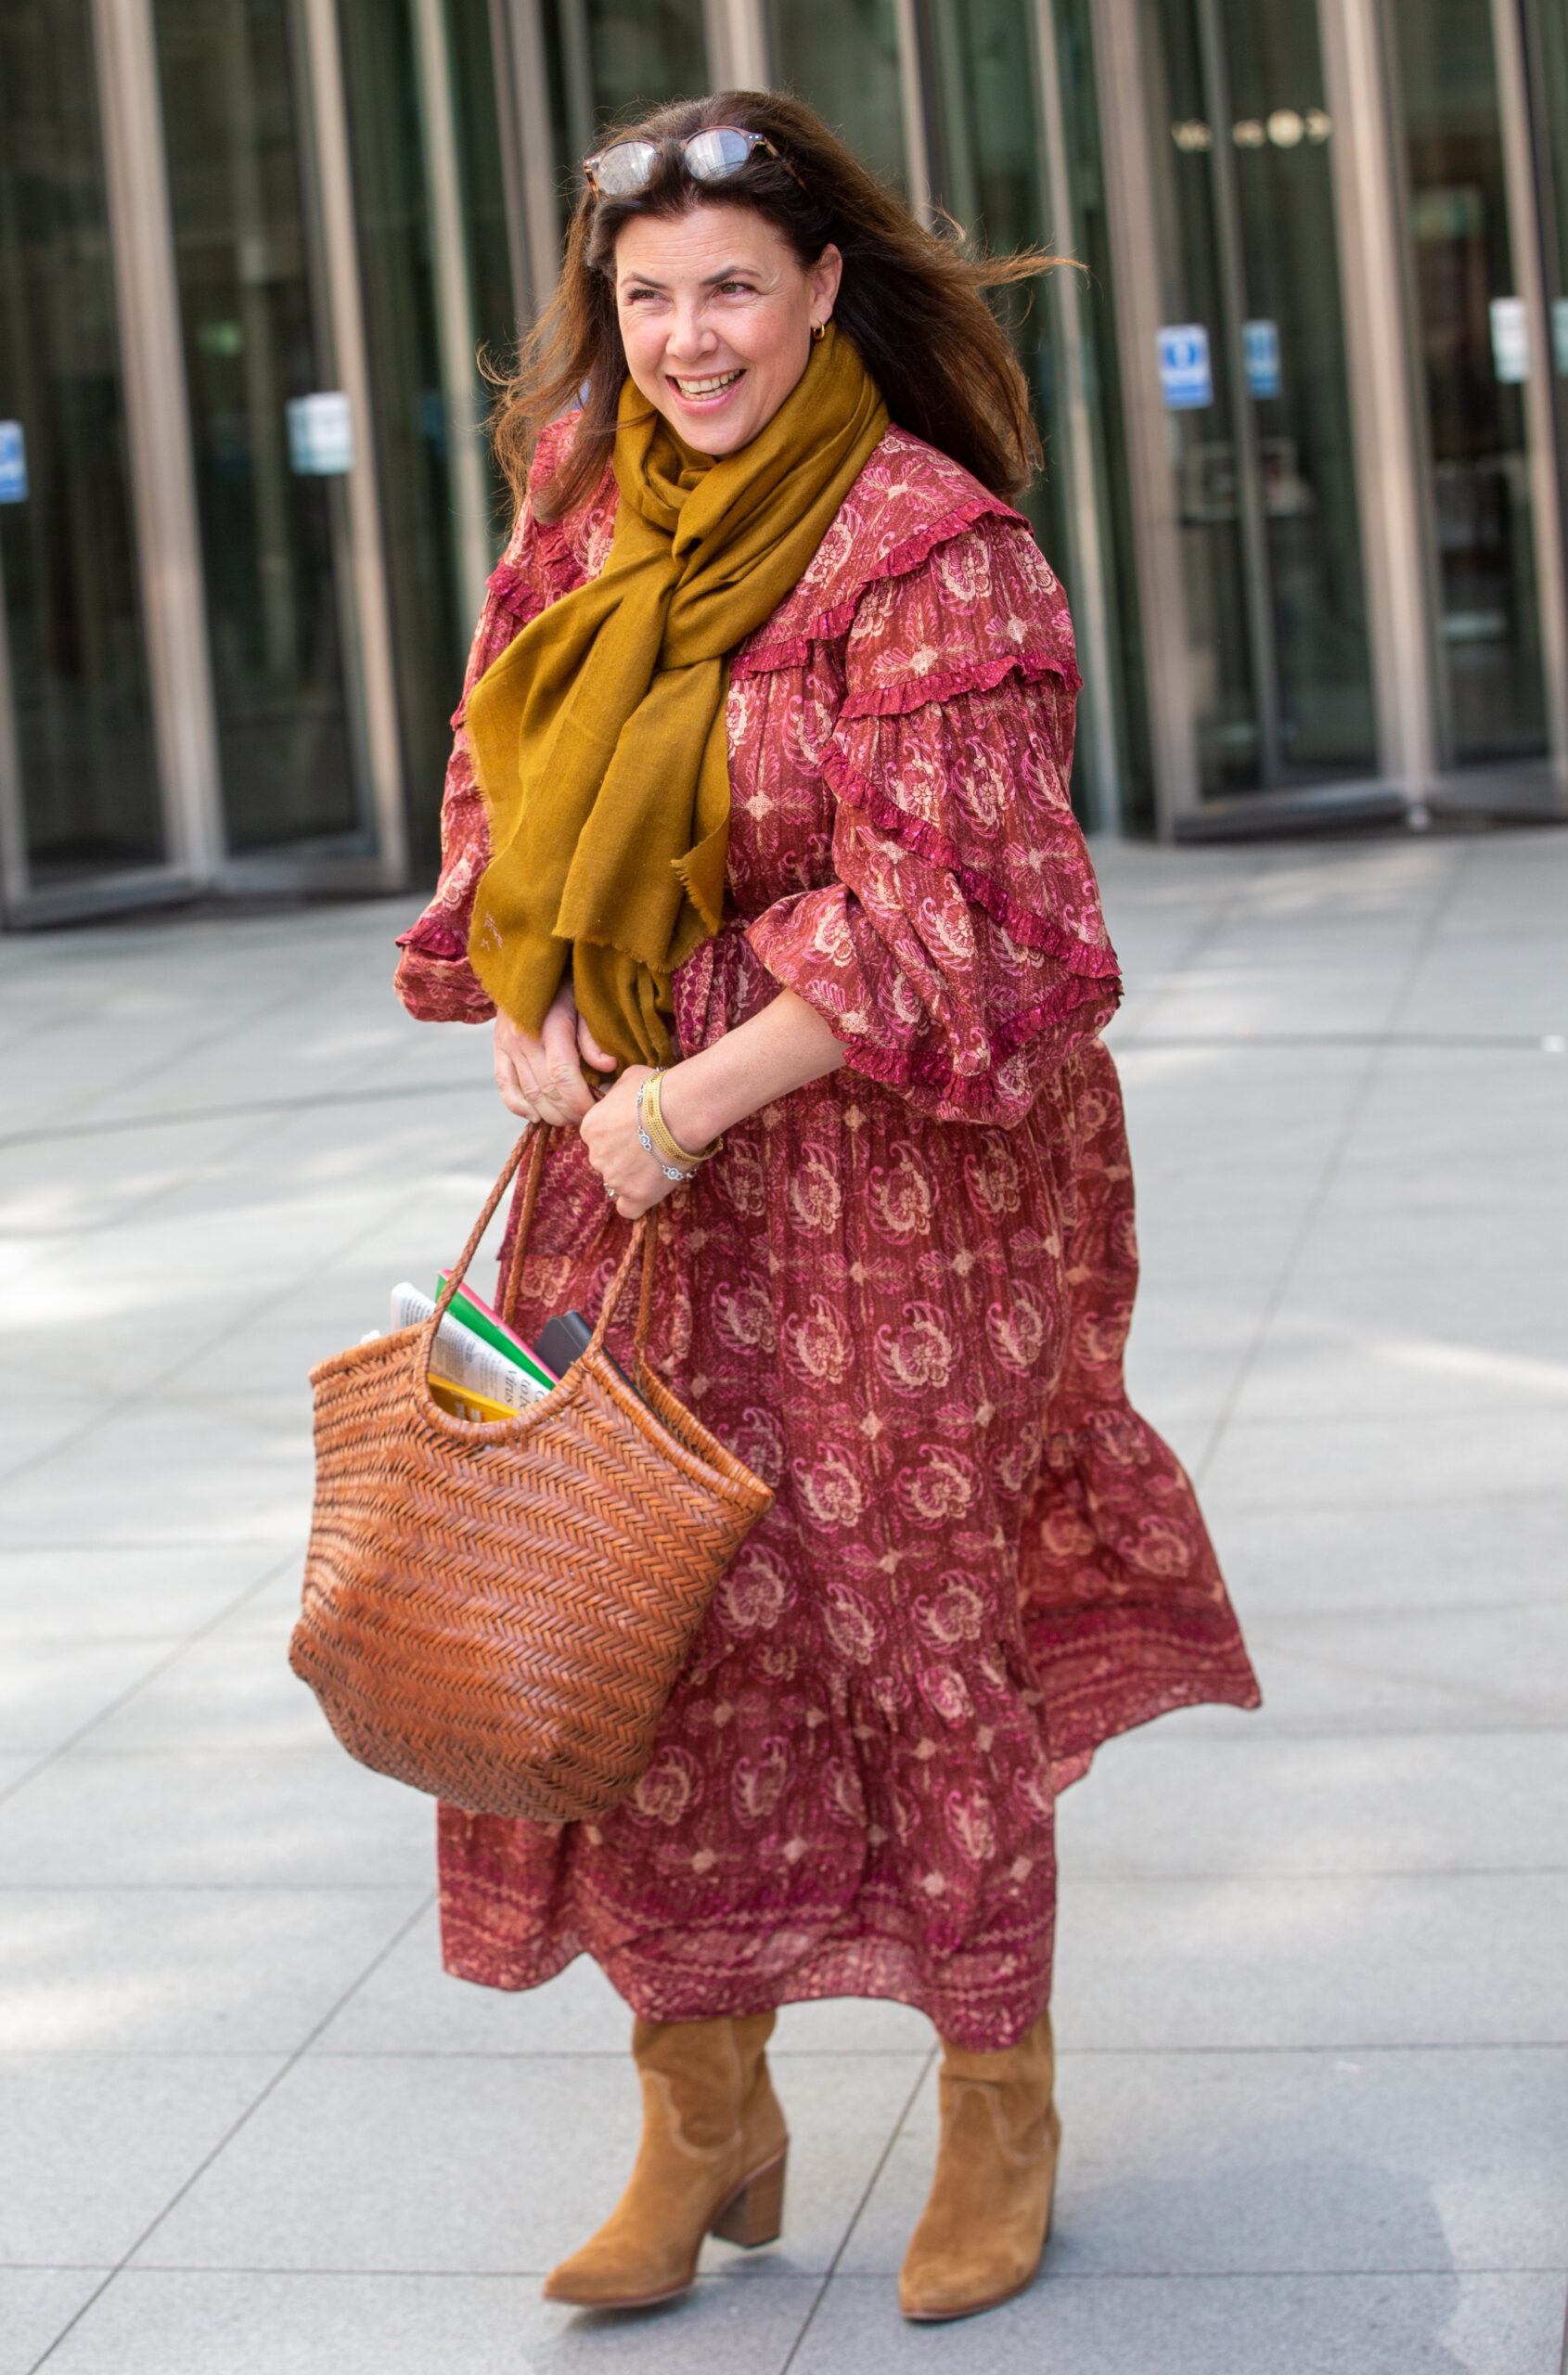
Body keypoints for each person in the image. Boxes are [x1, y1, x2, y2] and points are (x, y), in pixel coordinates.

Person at [394, 88, 1259, 2325]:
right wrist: (527, 1014)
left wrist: (697, 1089)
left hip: (872, 1182)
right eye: (646, 296)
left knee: (907, 1628)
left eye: (728, 294)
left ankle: (998, 2099)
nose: (686, 339)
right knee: (643, 1634)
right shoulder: (576, 515)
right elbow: (497, 792)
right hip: (627, 1179)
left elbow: (968, 905)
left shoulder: (921, 540)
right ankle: (704, 2113)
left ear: (817, 295)